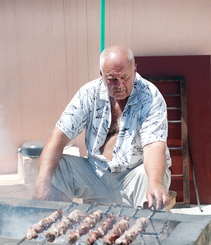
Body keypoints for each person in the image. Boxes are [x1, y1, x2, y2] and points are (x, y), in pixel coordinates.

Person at [32, 45, 171, 210]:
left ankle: (143, 233)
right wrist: (41, 183)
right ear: (101, 74)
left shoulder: (150, 97)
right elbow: (58, 137)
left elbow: (154, 146)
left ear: (135, 70)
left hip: (133, 176)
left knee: (150, 180)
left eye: (125, 77)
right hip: (95, 174)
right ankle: (61, 227)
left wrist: (155, 182)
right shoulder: (88, 93)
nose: (119, 85)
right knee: (56, 168)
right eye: (112, 79)